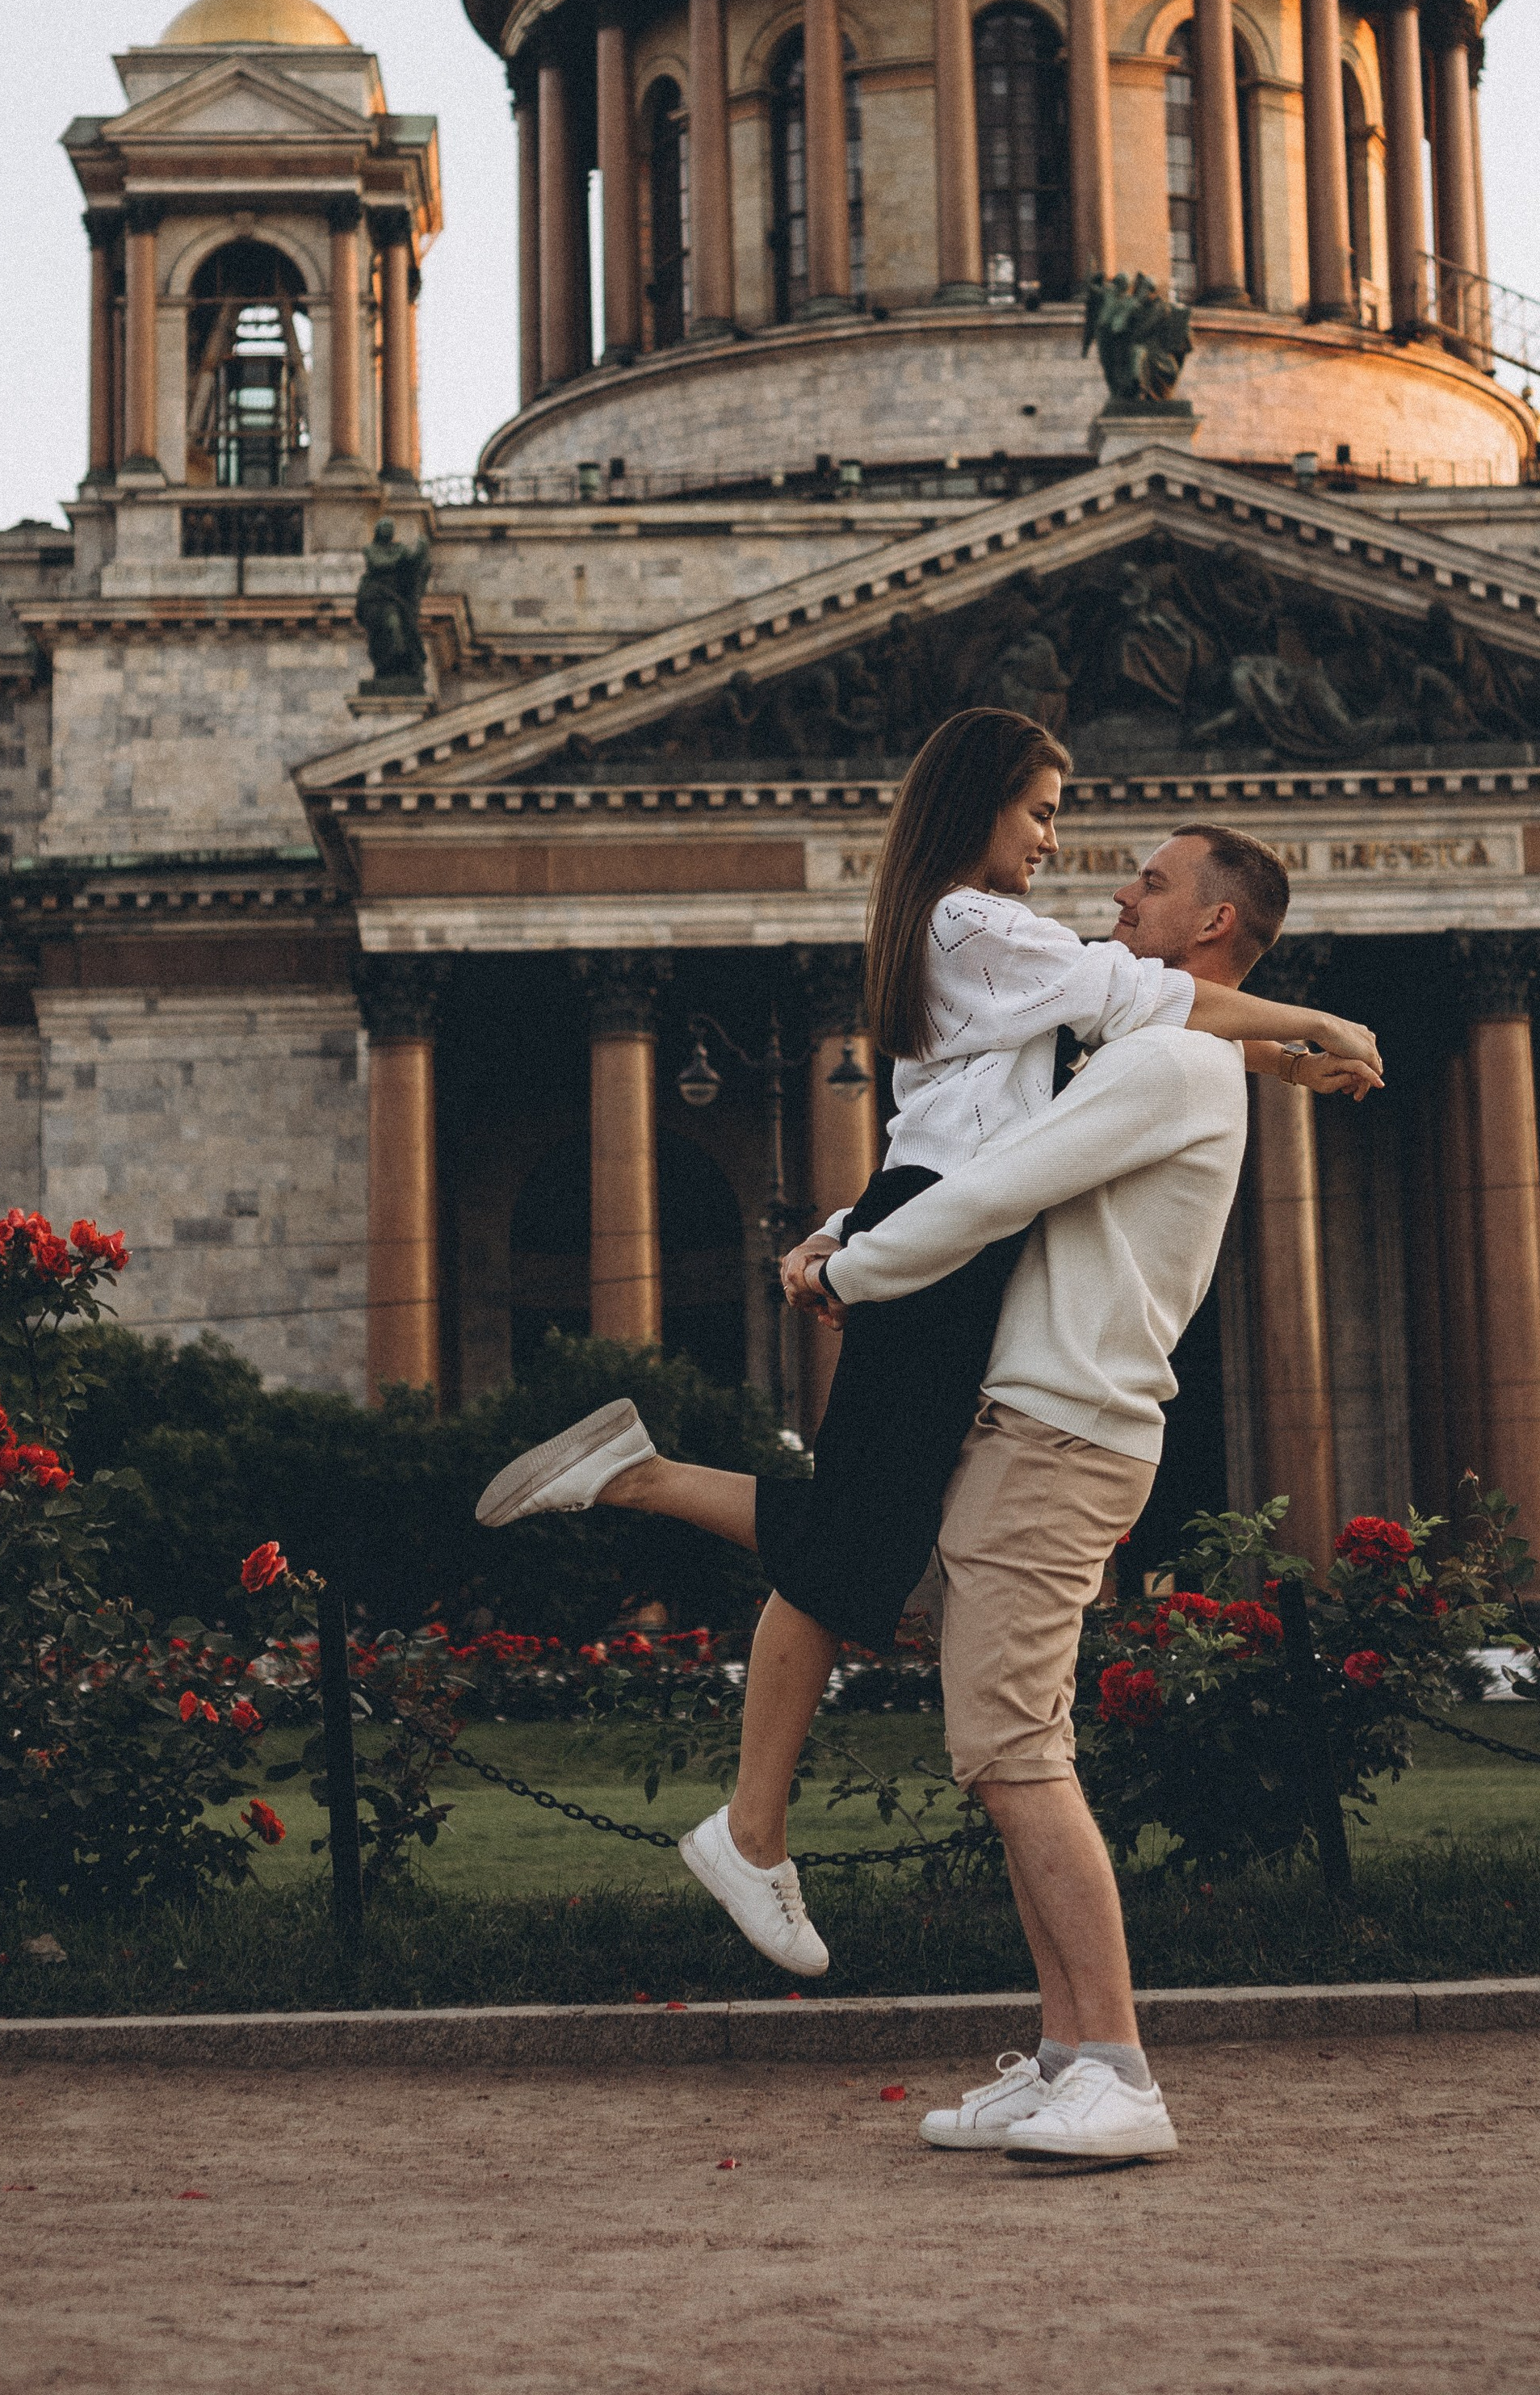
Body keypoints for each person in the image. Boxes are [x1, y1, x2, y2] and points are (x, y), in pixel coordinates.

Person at [474, 710, 1378, 1978]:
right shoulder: (974, 923)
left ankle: (747, 1807)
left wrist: (1285, 1064)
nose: (1065, 848)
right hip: (939, 1238)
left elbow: (1047, 1097)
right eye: (1044, 812)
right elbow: (1124, 1012)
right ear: (978, 804)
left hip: (924, 1215)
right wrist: (1314, 1026)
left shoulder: (980, 940)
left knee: (874, 1546)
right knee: (857, 1543)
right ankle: (659, 1538)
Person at [780, 822, 1316, 2161]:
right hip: (1040, 1433)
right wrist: (853, 1230)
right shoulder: (1154, 1058)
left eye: (1149, 882)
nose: (1115, 893)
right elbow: (974, 1158)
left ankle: (1120, 2072)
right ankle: (1071, 2049)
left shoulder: (1178, 1062)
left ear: (1210, 929)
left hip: (1059, 1439)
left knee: (1019, 1755)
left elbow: (997, 1190)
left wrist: (854, 1278)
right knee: (1015, 1750)